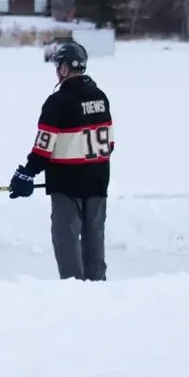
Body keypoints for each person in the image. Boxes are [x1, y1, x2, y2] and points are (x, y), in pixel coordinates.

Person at [9, 40, 113, 280]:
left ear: (65, 69)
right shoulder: (101, 97)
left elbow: (44, 146)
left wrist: (27, 173)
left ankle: (73, 291)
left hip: (67, 185)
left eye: (58, 67)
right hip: (98, 181)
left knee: (66, 239)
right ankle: (98, 289)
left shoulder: (57, 101)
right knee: (94, 238)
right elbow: (110, 144)